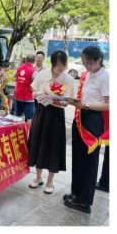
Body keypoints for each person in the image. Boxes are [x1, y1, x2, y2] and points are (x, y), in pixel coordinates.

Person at [65, 46, 109, 213]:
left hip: (93, 121)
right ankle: (76, 193)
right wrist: (75, 102)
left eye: (88, 63)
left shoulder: (104, 77)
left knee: (89, 162)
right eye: (83, 63)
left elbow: (109, 104)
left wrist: (86, 105)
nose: (85, 66)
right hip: (81, 117)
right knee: (77, 158)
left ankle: (85, 201)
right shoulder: (89, 74)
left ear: (99, 60)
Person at [28, 50, 75, 194]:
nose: (60, 68)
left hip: (55, 115)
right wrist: (39, 93)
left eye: (63, 65)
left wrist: (52, 95)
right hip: (41, 112)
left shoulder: (68, 79)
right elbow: (33, 90)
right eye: (57, 64)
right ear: (52, 64)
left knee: (52, 146)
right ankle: (38, 178)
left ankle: (50, 181)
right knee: (38, 142)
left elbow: (66, 102)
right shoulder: (43, 74)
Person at [14, 53, 36, 125]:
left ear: (26, 60)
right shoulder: (33, 71)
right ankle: (29, 133)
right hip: (28, 97)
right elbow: (37, 82)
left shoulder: (19, 68)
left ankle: (15, 132)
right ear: (34, 61)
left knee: (17, 115)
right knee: (30, 117)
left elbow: (15, 76)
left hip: (18, 95)